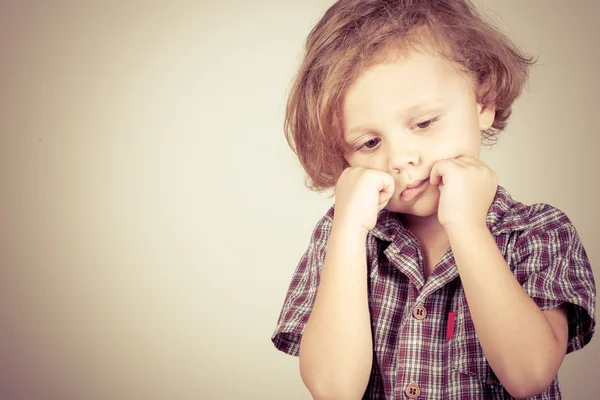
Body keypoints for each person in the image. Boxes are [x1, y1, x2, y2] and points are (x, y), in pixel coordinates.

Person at [271, 0, 596, 398]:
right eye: (369, 142)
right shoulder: (343, 236)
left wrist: (468, 227)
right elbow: (334, 390)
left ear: (483, 102)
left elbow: (528, 374)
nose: (399, 158)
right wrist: (348, 231)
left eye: (423, 123)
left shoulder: (539, 232)